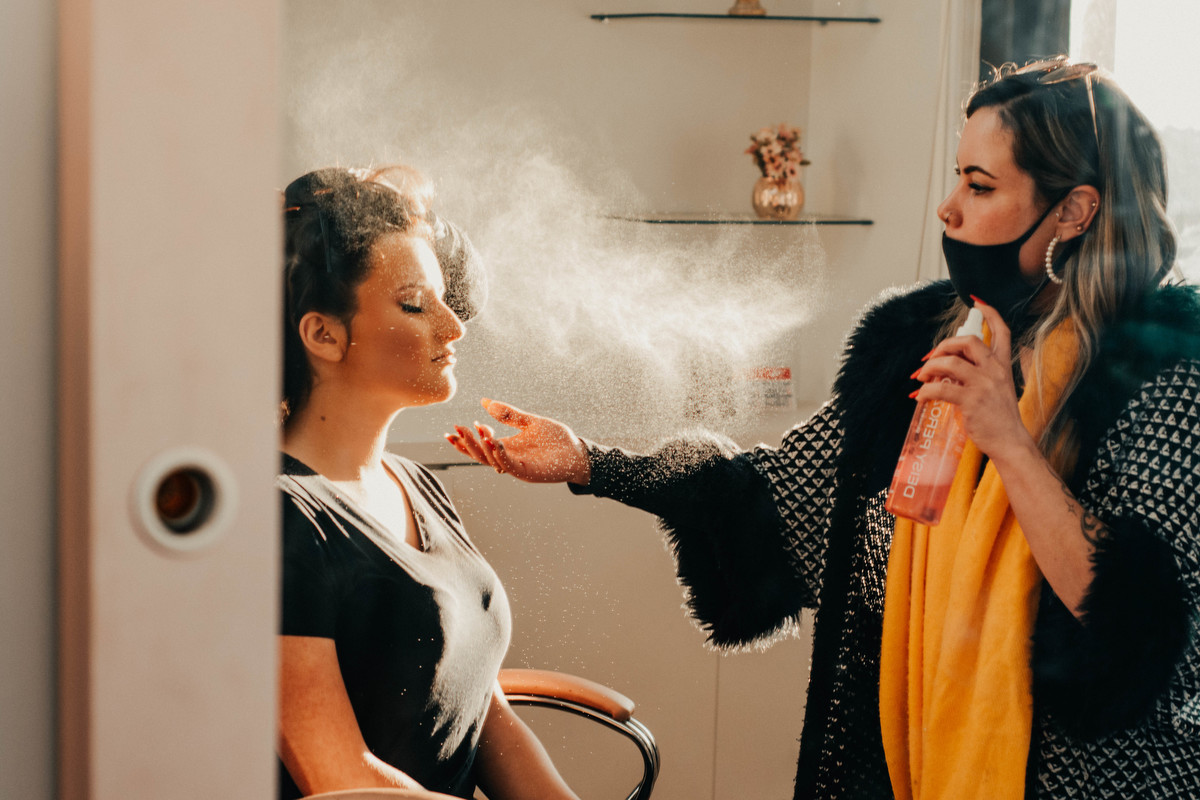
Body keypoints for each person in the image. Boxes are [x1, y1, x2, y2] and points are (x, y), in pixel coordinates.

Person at [448, 59, 1200, 799]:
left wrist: (1006, 438)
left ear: (1074, 210)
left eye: (979, 185)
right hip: (894, 767)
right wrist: (589, 461)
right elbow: (774, 495)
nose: (948, 209)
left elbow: (1142, 626)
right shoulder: (919, 342)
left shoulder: (1165, 371)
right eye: (956, 178)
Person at [276, 165, 579, 800]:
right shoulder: (278, 518)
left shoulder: (416, 485)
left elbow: (483, 711)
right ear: (324, 334)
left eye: (444, 298)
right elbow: (340, 778)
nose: (454, 326)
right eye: (415, 304)